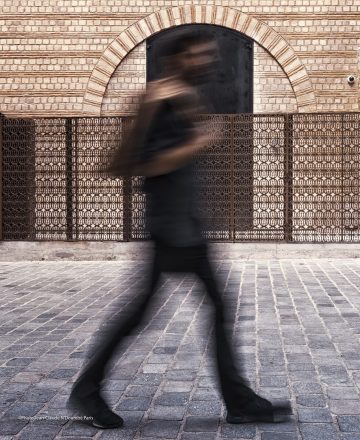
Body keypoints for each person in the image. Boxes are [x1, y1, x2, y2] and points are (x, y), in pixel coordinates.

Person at [68, 31, 291, 428]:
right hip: (171, 227)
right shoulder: (158, 99)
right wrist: (198, 142)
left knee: (175, 311)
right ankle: (87, 393)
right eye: (199, 56)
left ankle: (238, 400)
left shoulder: (180, 98)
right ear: (176, 59)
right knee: (153, 313)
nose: (208, 62)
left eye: (209, 55)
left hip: (183, 224)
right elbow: (140, 164)